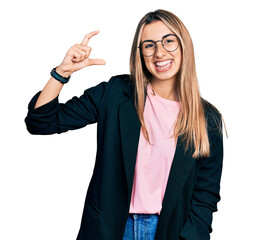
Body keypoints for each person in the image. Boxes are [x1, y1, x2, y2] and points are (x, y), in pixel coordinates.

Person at [25, 9, 225, 240]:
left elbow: (205, 193)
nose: (159, 52)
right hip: (110, 230)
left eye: (168, 41)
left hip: (169, 231)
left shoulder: (207, 118)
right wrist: (62, 73)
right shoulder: (115, 93)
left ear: (183, 46)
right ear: (140, 53)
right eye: (149, 45)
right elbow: (41, 122)